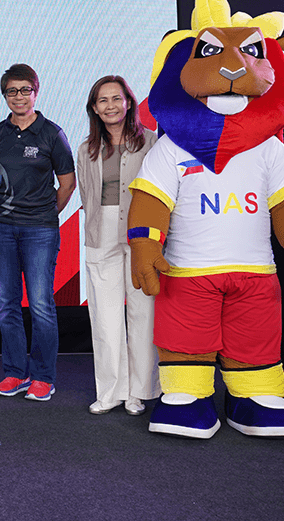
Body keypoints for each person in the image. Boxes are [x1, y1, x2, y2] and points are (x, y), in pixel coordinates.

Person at [0, 64, 75, 402]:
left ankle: (43, 377)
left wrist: (44, 212)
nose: (18, 97)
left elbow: (67, 184)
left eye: (25, 90)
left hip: (40, 230)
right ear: (4, 95)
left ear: (36, 92)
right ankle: (14, 373)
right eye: (12, 91)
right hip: (0, 228)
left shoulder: (52, 133)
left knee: (40, 304)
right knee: (7, 304)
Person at [77, 76, 160, 415]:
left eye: (116, 98)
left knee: (142, 312)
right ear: (94, 108)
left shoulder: (152, 142)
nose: (110, 105)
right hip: (102, 231)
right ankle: (110, 390)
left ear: (129, 102)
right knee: (105, 315)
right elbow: (86, 194)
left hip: (141, 232)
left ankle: (139, 392)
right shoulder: (86, 148)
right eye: (102, 100)